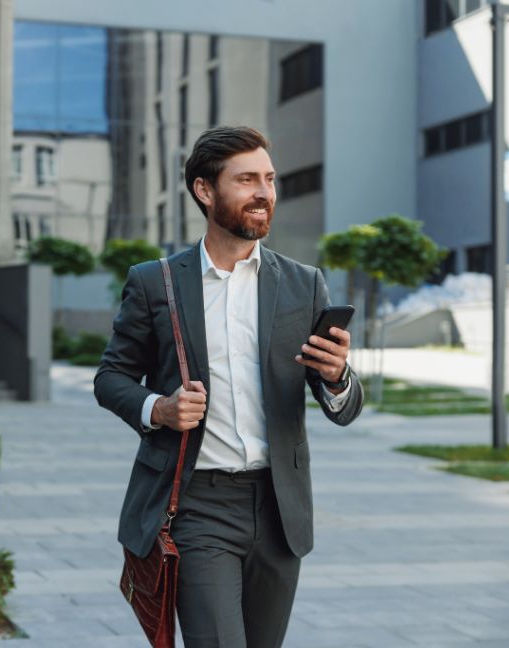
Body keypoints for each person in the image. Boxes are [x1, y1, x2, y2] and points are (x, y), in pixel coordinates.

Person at [94, 126, 364, 648]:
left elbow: (344, 405)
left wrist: (336, 378)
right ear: (204, 190)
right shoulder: (157, 282)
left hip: (280, 508)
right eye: (246, 180)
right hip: (197, 506)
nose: (264, 192)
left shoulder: (304, 283)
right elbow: (111, 378)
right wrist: (159, 408)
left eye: (269, 178)